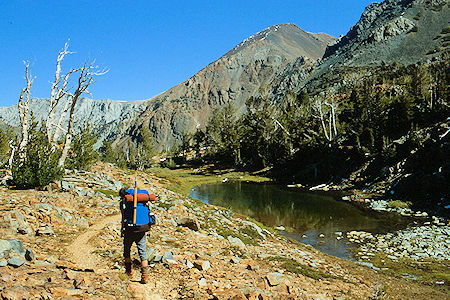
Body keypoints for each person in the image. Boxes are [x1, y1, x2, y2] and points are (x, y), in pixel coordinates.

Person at [119, 188, 151, 284]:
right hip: (141, 229)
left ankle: (128, 272)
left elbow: (123, 216)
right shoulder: (142, 202)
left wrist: (122, 229)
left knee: (127, 250)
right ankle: (145, 275)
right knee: (142, 251)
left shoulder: (124, 202)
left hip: (129, 229)